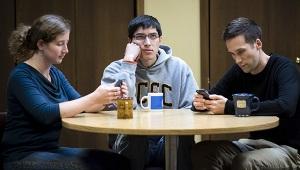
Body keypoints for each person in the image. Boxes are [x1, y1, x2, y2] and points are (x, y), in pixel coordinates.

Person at [1, 14, 130, 170]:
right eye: (60, 44)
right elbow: (46, 113)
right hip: (21, 156)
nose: (66, 50)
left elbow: (82, 105)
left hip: (49, 151)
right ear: (41, 44)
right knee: (96, 166)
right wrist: (94, 97)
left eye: (66, 43)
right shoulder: (21, 75)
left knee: (119, 161)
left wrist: (109, 98)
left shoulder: (55, 74)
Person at [191, 17, 300, 170]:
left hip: (289, 150)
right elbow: (214, 94)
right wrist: (201, 103)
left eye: (241, 52)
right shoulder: (240, 70)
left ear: (258, 44)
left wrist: (229, 107)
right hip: (253, 145)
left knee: (244, 162)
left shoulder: (284, 68)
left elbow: (286, 106)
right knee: (201, 151)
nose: (237, 60)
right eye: (232, 54)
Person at [101, 15, 198, 170]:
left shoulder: (179, 67)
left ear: (160, 39)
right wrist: (128, 64)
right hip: (131, 139)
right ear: (130, 42)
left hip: (167, 138)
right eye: (140, 37)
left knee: (182, 137)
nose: (147, 43)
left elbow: (191, 109)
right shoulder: (115, 69)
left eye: (153, 36)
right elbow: (116, 112)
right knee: (135, 134)